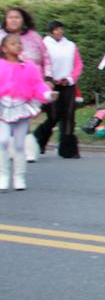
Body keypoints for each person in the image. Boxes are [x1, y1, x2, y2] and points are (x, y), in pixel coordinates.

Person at [0, 34, 55, 191]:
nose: (17, 46)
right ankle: (3, 175)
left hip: (21, 107)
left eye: (18, 43)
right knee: (2, 141)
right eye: (12, 44)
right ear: (4, 48)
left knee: (19, 144)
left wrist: (47, 94)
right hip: (3, 107)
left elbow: (37, 85)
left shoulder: (29, 67)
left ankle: (19, 177)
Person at [2, 7, 51, 162]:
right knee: (6, 120)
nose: (14, 20)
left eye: (17, 17)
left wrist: (48, 78)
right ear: (6, 20)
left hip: (29, 84)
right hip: (5, 87)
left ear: (23, 20)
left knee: (24, 118)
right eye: (11, 17)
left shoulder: (33, 37)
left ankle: (27, 150)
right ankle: (9, 148)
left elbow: (46, 57)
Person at [34, 20, 82, 159]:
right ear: (51, 31)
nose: (59, 32)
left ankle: (69, 150)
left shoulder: (71, 46)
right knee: (53, 116)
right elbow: (39, 64)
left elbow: (78, 65)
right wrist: (48, 80)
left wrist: (70, 78)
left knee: (69, 115)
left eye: (60, 29)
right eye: (56, 29)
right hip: (51, 84)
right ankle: (38, 140)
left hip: (67, 84)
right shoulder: (44, 45)